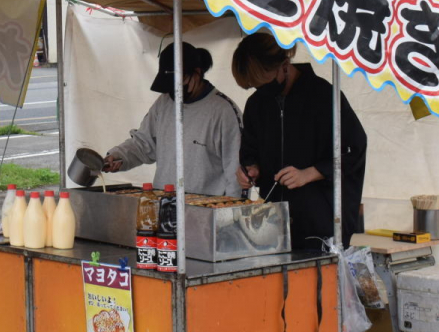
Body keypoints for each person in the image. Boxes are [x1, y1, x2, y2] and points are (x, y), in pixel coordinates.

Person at [232, 32, 367, 249]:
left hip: (319, 224)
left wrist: (311, 173)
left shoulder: (324, 96)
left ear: (284, 65)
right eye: (254, 87)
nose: (261, 92)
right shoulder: (257, 104)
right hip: (271, 225)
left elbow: (354, 149)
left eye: (265, 83)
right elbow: (249, 150)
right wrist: (249, 169)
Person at [102, 42, 243, 197]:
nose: (174, 91)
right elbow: (142, 145)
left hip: (205, 212)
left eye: (178, 83)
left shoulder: (223, 111)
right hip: (163, 203)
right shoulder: (163, 104)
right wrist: (117, 156)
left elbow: (236, 173)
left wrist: (231, 214)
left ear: (197, 73)